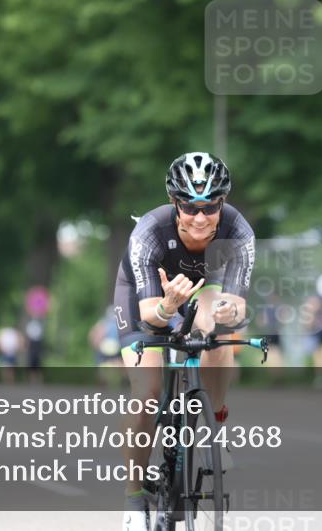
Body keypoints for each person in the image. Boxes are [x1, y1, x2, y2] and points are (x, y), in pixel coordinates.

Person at [117, 152, 254, 531]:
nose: (199, 217)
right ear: (174, 203)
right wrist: (168, 306)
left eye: (210, 207)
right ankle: (134, 499)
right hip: (146, 298)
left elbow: (238, 303)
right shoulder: (150, 231)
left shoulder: (238, 231)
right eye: (189, 207)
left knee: (218, 340)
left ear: (222, 203)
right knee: (148, 391)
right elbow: (151, 315)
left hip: (202, 289)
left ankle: (214, 425)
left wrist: (230, 315)